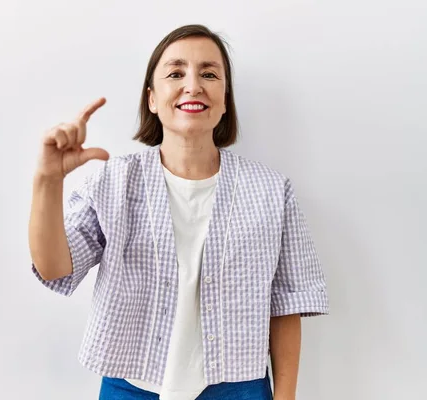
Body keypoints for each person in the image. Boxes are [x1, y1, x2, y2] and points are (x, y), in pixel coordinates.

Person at [29, 24, 329, 400]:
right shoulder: (114, 182)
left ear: (224, 98)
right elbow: (55, 268)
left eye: (209, 73)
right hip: (131, 384)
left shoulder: (272, 191)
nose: (193, 85)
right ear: (152, 98)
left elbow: (287, 304)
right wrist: (47, 180)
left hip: (239, 388)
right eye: (175, 73)